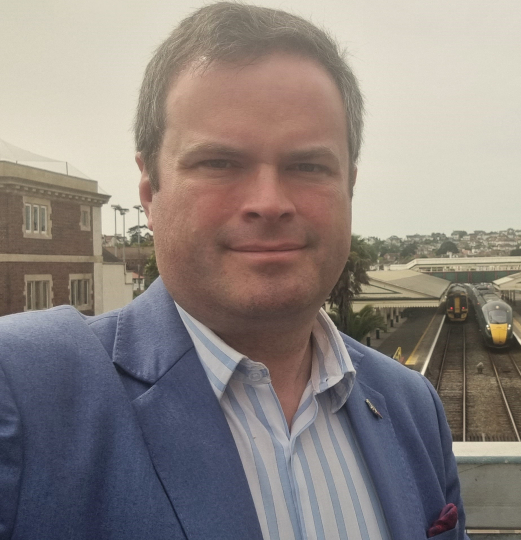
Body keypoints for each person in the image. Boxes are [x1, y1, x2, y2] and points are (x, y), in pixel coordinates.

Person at [0, 4, 466, 539]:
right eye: (219, 163)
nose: (269, 203)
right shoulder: (23, 388)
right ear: (150, 194)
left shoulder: (411, 406)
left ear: (350, 188)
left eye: (308, 166)